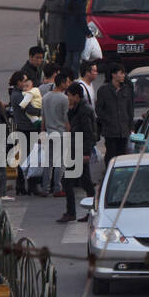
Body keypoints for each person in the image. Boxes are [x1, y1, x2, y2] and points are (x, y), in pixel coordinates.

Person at [57, 83, 97, 222]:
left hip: (80, 149)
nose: (68, 98)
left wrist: (86, 152)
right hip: (76, 148)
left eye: (69, 95)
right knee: (85, 181)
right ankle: (93, 209)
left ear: (76, 96)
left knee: (68, 181)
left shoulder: (84, 110)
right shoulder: (78, 108)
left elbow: (88, 132)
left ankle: (72, 212)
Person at [95, 63, 131, 167]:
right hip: (110, 131)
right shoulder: (103, 90)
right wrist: (107, 120)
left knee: (122, 156)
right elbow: (99, 109)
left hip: (123, 130)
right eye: (121, 73)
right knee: (111, 155)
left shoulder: (126, 90)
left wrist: (130, 127)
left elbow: (129, 109)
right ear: (113, 75)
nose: (123, 75)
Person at [41, 71, 71, 196]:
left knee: (48, 163)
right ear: (62, 83)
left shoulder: (46, 97)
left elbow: (43, 116)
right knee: (60, 163)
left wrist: (42, 132)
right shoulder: (65, 99)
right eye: (67, 81)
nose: (69, 84)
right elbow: (66, 119)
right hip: (61, 133)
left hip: (48, 133)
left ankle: (45, 188)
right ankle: (57, 188)